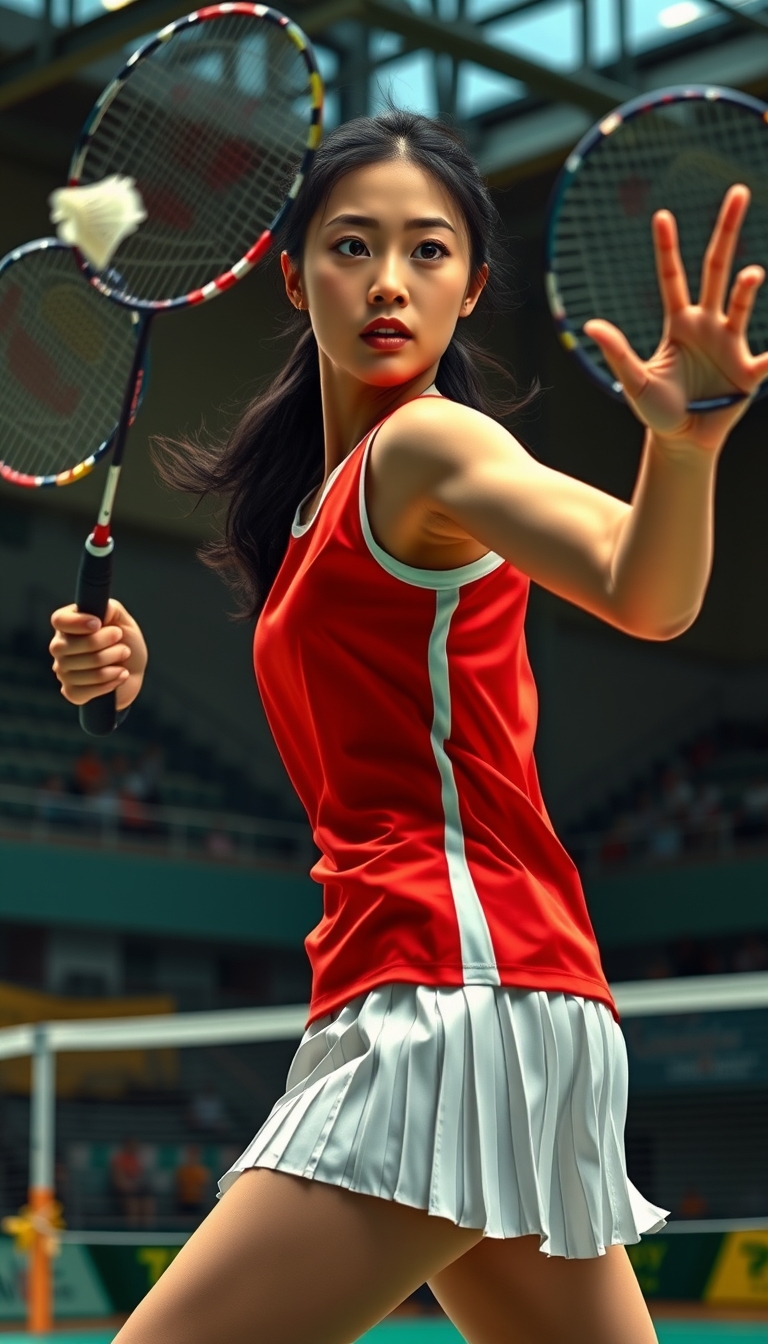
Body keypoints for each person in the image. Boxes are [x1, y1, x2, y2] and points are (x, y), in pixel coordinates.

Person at [48, 110, 768, 1344]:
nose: (389, 281)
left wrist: (683, 451)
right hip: (498, 993)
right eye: (351, 246)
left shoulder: (432, 444)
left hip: (449, 999)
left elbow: (644, 589)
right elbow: (363, 716)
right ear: (292, 273)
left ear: (473, 285)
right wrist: (131, 670)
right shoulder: (320, 513)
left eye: (428, 251)